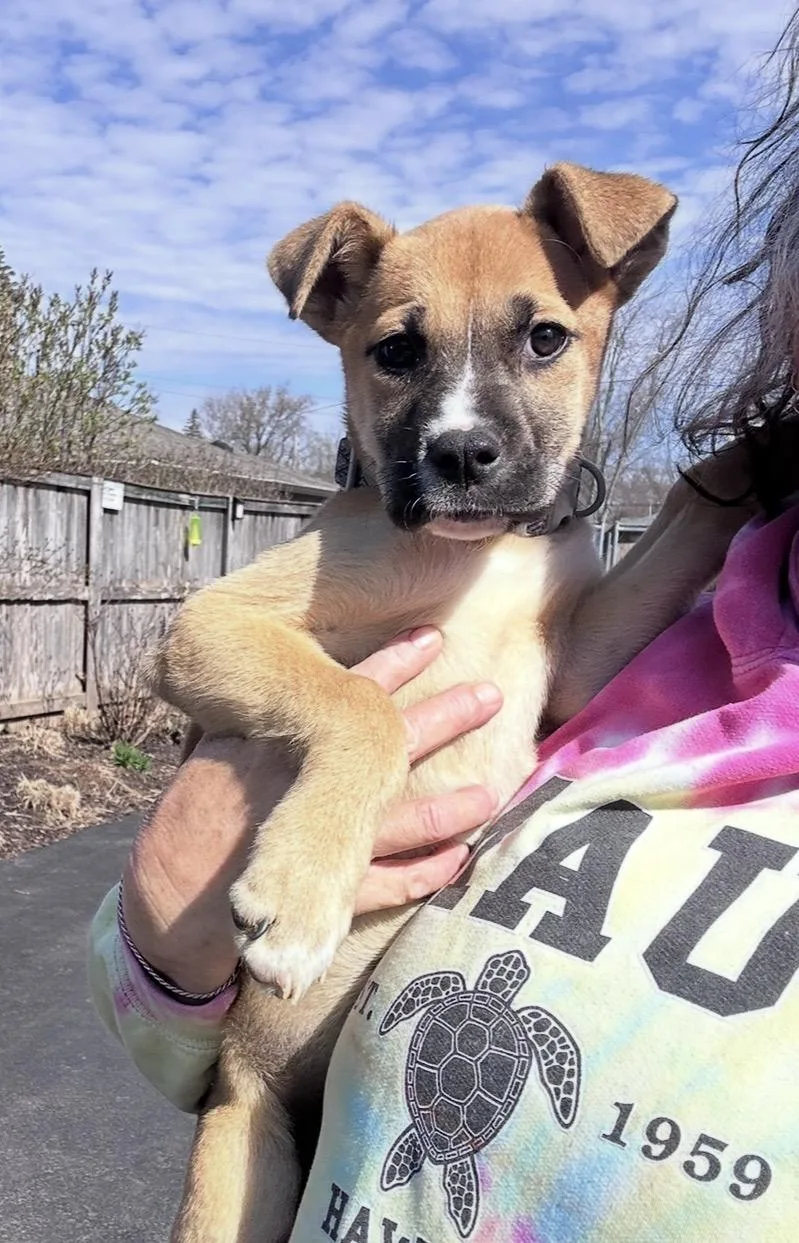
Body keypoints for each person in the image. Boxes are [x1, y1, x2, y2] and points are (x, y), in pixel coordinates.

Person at [89, 15, 799, 1241]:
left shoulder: (572, 553)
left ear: (608, 292)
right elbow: (199, 638)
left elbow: (575, 669)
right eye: (401, 356)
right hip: (257, 1080)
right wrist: (352, 740)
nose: (461, 422)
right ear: (338, 333)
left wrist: (714, 494)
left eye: (537, 343)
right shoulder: (377, 539)